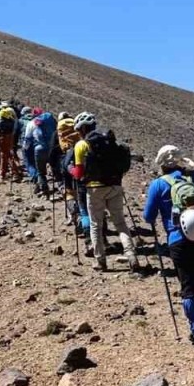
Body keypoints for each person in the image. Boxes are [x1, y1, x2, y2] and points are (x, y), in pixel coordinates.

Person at [142, 145, 194, 347]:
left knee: (189, 286)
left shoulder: (158, 185)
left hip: (178, 240)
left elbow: (148, 217)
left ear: (161, 165)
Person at [68, 112, 139, 272]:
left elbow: (79, 174)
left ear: (83, 128)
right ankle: (132, 256)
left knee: (95, 226)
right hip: (115, 186)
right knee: (120, 224)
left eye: (79, 130)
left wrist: (70, 169)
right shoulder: (109, 140)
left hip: (94, 189)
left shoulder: (81, 145)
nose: (78, 133)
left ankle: (101, 261)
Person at [0, 101, 22, 181]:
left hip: (2, 138)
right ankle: (6, 173)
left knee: (5, 155)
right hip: (10, 136)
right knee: (8, 154)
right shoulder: (10, 115)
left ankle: (12, 173)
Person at [32, 108, 58, 195]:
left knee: (40, 172)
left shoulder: (37, 123)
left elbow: (36, 136)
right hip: (52, 148)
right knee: (55, 168)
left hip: (40, 149)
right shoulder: (50, 119)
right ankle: (61, 186)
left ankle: (44, 188)